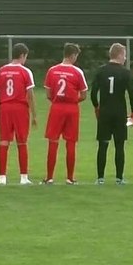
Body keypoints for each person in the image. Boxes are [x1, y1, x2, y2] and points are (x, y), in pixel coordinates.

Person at [91, 43, 133, 185]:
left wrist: (96, 106)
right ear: (119, 55)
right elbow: (131, 94)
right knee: (119, 145)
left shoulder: (101, 71)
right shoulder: (125, 73)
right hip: (119, 112)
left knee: (103, 145)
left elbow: (93, 93)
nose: (125, 58)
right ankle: (119, 178)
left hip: (105, 112)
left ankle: (100, 178)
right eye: (124, 55)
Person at [43, 43, 88, 184]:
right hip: (72, 108)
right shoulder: (77, 72)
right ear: (73, 55)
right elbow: (84, 94)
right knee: (71, 143)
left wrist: (57, 100)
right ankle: (70, 178)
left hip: (56, 107)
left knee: (53, 142)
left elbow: (48, 93)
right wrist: (74, 100)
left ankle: (50, 177)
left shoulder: (52, 70)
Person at [0, 43, 37, 185]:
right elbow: (30, 95)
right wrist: (34, 114)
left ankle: (2, 177)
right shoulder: (25, 71)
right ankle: (23, 177)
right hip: (20, 108)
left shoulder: (2, 71)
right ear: (23, 55)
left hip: (5, 107)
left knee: (4, 141)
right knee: (22, 142)